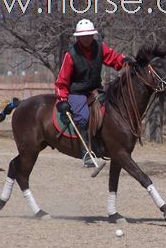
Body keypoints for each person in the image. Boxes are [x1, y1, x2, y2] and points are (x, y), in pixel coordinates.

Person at [54, 19, 132, 167]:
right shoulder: (70, 55)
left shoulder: (100, 47)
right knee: (83, 117)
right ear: (78, 37)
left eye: (89, 35)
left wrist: (124, 60)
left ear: (93, 35)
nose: (86, 39)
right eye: (83, 36)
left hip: (95, 90)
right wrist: (63, 100)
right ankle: (86, 154)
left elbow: (113, 58)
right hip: (76, 93)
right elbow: (61, 81)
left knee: (111, 111)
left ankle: (107, 145)